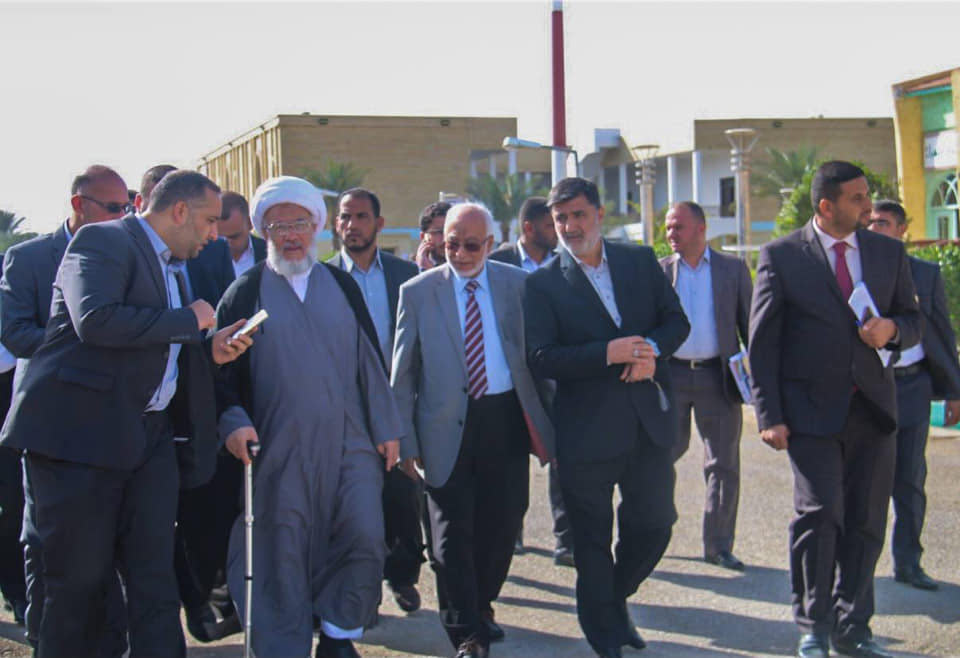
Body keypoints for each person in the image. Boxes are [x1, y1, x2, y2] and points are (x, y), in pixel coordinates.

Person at [0, 170, 252, 657]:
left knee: (154, 581)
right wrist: (187, 321)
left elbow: (154, 346)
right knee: (77, 586)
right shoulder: (101, 241)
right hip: (77, 443)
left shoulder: (172, 262)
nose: (214, 234)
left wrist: (208, 348)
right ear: (179, 211)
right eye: (208, 220)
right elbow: (95, 320)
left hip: (147, 439)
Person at [216, 175, 402, 658]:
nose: (291, 235)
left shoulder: (340, 284)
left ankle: (339, 636)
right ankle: (283, 646)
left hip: (350, 442)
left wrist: (386, 428)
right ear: (264, 233)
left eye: (299, 224)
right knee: (281, 550)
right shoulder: (245, 292)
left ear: (317, 227)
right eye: (278, 227)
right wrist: (234, 421)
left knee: (364, 533)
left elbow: (369, 362)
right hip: (279, 447)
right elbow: (222, 377)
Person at [749, 161, 921, 658]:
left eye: (867, 195)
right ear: (826, 206)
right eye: (857, 198)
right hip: (809, 414)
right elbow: (763, 344)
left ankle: (853, 627)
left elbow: (913, 319)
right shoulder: (782, 256)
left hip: (873, 410)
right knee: (821, 514)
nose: (868, 206)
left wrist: (892, 329)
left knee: (867, 521)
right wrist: (769, 415)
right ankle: (814, 625)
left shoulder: (887, 252)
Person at [523, 177, 689, 658]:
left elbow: (676, 321)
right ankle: (604, 635)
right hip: (585, 433)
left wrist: (650, 350)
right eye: (561, 218)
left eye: (578, 215)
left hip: (646, 425)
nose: (570, 226)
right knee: (591, 542)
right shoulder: (543, 283)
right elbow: (541, 357)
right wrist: (607, 353)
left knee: (656, 523)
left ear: (598, 214)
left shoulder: (640, 260)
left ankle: (613, 599)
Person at [392, 202, 554, 658]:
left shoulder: (518, 285)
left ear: (489, 244)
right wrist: (405, 440)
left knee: (502, 526)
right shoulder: (418, 292)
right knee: (449, 538)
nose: (460, 254)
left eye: (470, 246)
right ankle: (467, 633)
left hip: (504, 420)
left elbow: (540, 355)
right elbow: (403, 374)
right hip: (443, 428)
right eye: (451, 245)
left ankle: (480, 603)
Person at [0, 164, 132, 655]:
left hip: (111, 422)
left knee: (102, 547)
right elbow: (15, 333)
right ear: (79, 205)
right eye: (113, 208)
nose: (122, 217)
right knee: (46, 543)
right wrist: (87, 344)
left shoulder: (127, 255)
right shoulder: (29, 258)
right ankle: (45, 636)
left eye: (127, 207)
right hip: (50, 425)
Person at [327, 187, 424, 615]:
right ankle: (360, 593)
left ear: (379, 224)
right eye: (344, 217)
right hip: (346, 410)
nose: (351, 225)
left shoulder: (406, 276)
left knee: (402, 498)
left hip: (397, 404)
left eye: (361, 217)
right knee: (352, 506)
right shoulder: (323, 278)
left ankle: (402, 576)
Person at [866, 199, 960, 591]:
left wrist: (954, 390)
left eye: (883, 223)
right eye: (870, 223)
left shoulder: (925, 274)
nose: (875, 229)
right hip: (871, 388)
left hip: (913, 386)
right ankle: (859, 566)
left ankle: (908, 562)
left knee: (909, 479)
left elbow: (942, 331)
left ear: (903, 229)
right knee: (868, 480)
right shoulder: (857, 273)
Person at [660, 201, 752, 571]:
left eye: (678, 227)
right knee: (661, 454)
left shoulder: (732, 270)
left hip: (718, 377)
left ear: (701, 229)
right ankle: (655, 527)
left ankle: (718, 545)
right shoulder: (659, 272)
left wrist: (756, 381)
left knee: (723, 463)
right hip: (671, 376)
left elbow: (750, 326)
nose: (671, 234)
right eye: (668, 227)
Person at [488, 196, 570, 565]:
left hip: (554, 373)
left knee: (563, 455)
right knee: (511, 459)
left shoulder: (564, 263)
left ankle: (566, 540)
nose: (558, 231)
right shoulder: (496, 262)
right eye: (550, 225)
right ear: (528, 228)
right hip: (510, 377)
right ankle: (511, 533)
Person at [219, 191, 267, 278]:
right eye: (220, 238)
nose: (225, 243)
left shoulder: (269, 253)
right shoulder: (201, 257)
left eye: (233, 237)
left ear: (250, 223)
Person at [416, 201, 450, 270]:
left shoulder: (467, 271)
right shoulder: (409, 272)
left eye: (450, 232)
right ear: (423, 236)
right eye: (439, 232)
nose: (445, 238)